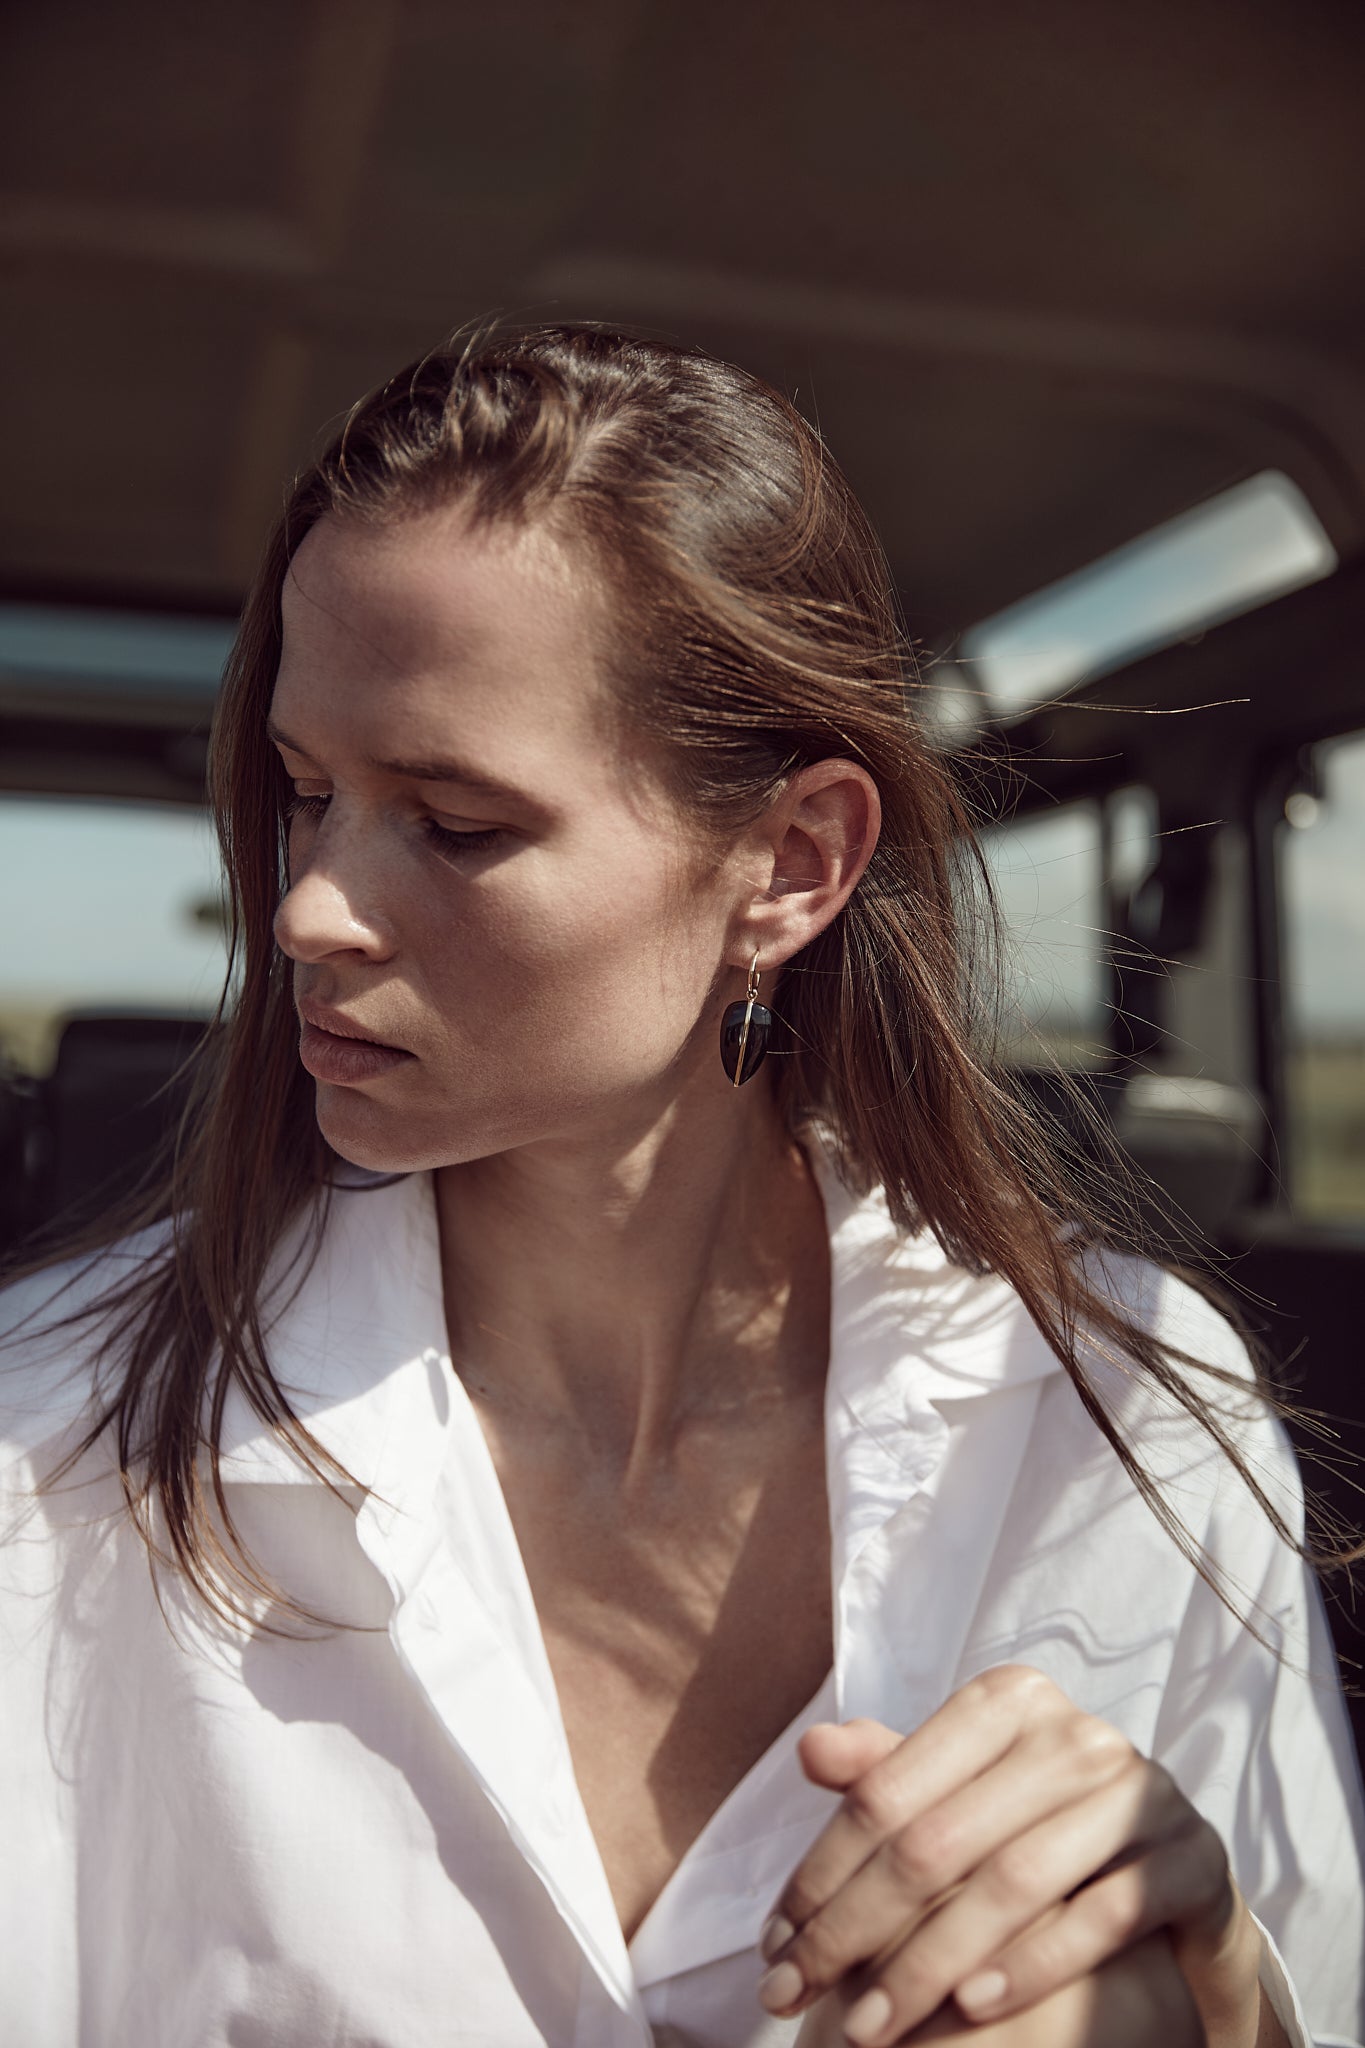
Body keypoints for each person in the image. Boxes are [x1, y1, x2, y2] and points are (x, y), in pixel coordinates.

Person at [1, 322, 1362, 2048]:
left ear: (791, 866)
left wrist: (1220, 2005)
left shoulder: (1119, 1413)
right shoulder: (47, 1450)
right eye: (303, 794)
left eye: (455, 822)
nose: (307, 912)